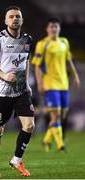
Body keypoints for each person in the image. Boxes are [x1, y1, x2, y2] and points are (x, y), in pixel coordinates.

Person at [0, 6, 35, 178]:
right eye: (11, 16)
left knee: (29, 125)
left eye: (17, 16)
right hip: (2, 93)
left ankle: (17, 160)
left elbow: (26, 61)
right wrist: (3, 75)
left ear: (22, 20)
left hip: (21, 91)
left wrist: (26, 83)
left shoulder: (27, 39)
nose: (14, 19)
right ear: (6, 21)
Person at [32, 17, 80, 152]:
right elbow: (37, 66)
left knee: (62, 115)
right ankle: (60, 145)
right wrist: (40, 83)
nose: (53, 29)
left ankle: (46, 140)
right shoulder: (42, 44)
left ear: (59, 28)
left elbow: (69, 60)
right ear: (47, 29)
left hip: (64, 83)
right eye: (51, 26)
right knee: (56, 115)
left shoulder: (64, 42)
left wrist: (75, 76)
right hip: (50, 84)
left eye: (56, 26)